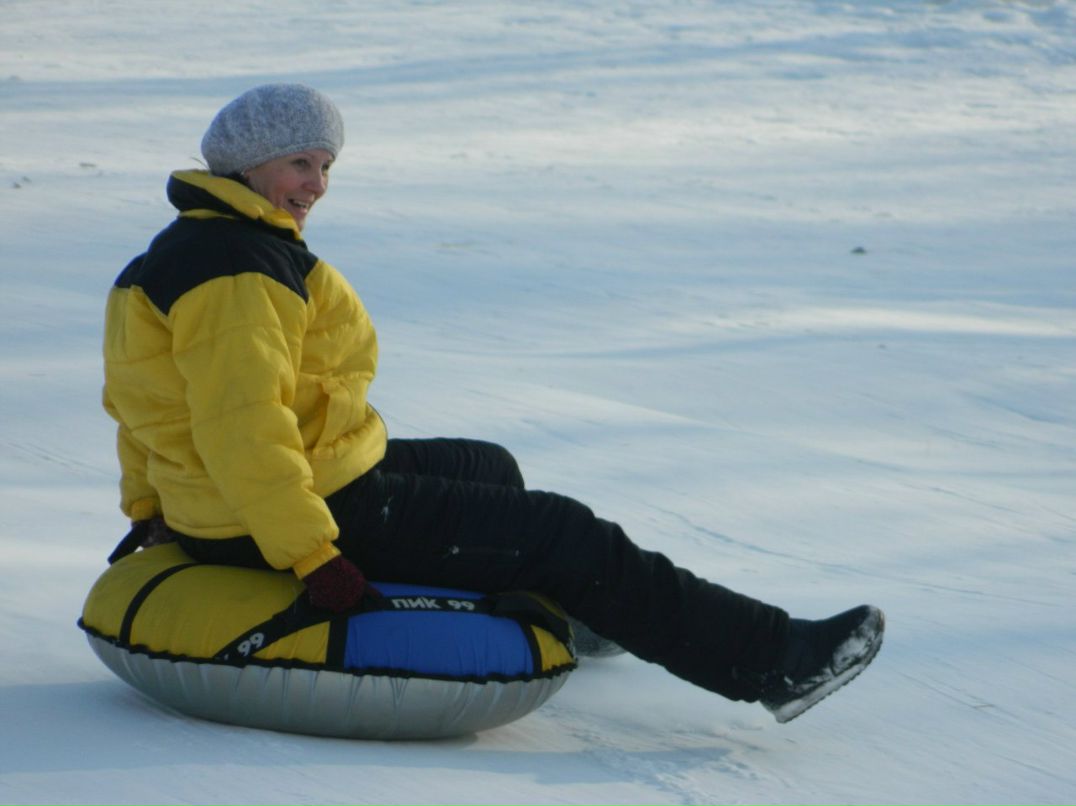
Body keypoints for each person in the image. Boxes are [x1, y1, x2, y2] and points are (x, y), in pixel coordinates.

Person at [102, 83, 884, 724]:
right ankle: (773, 661)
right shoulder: (237, 268)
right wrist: (312, 554)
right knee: (563, 530)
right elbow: (245, 427)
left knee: (487, 466)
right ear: (246, 164)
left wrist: (149, 504)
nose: (316, 184)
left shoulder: (185, 248)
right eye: (299, 163)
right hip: (296, 508)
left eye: (326, 165)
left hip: (279, 482)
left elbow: (136, 399)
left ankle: (589, 606)